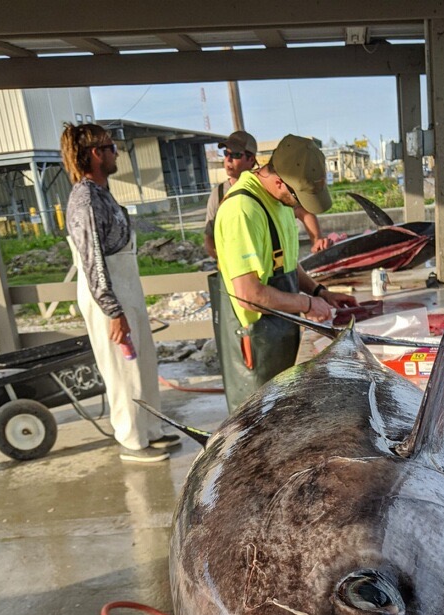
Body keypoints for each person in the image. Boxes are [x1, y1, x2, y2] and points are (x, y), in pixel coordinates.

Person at [60, 123, 180, 464]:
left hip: (126, 286)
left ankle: (151, 430)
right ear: (96, 153)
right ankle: (131, 440)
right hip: (108, 293)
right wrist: (113, 311)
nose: (117, 153)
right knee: (122, 369)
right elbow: (91, 258)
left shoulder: (102, 193)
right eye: (112, 147)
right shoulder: (84, 198)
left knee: (143, 363)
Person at [213, 134, 356, 412]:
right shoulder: (242, 210)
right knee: (257, 428)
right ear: (279, 181)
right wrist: (307, 304)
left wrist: (319, 292)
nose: (300, 204)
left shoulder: (278, 201)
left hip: (282, 333)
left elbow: (286, 264)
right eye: (299, 196)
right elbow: (249, 295)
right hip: (256, 344)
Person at [204, 130, 332, 259]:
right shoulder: (221, 195)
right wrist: (228, 262)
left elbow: (303, 211)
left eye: (236, 155)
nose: (228, 159)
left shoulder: (271, 191)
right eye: (226, 153)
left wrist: (317, 239)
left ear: (251, 158)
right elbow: (209, 237)